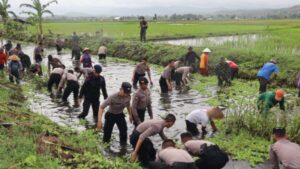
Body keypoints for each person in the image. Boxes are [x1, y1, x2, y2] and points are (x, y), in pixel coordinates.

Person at [97, 82, 132, 147]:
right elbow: (101, 107)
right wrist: (99, 121)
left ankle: (123, 148)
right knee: (107, 134)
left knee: (124, 131)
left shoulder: (128, 96)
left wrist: (130, 115)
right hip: (110, 115)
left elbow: (128, 105)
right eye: (125, 93)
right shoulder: (112, 97)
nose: (126, 95)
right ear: (121, 89)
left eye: (128, 93)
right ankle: (105, 149)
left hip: (120, 115)